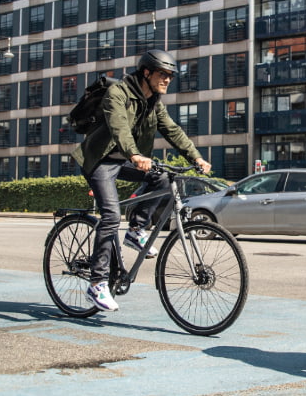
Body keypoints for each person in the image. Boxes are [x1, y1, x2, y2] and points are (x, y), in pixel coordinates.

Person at [72, 49, 212, 312]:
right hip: (101, 160)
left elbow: (172, 130)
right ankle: (97, 283)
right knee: (111, 216)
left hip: (125, 159)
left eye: (171, 76)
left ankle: (136, 230)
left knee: (162, 178)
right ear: (146, 72)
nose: (168, 80)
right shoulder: (118, 94)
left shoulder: (154, 103)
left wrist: (196, 158)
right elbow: (119, 127)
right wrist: (134, 154)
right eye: (163, 74)